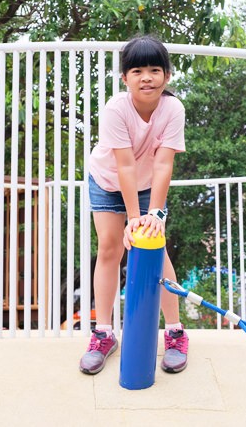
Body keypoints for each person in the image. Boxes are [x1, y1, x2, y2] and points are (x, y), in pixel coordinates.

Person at [79, 35, 188, 375]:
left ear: (167, 76)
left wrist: (152, 215)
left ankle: (174, 332)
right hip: (108, 180)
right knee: (110, 249)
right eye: (137, 70)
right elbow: (123, 164)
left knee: (157, 248)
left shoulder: (173, 109)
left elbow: (163, 164)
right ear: (125, 78)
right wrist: (133, 218)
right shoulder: (116, 108)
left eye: (155, 70)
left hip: (146, 184)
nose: (147, 77)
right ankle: (104, 333)